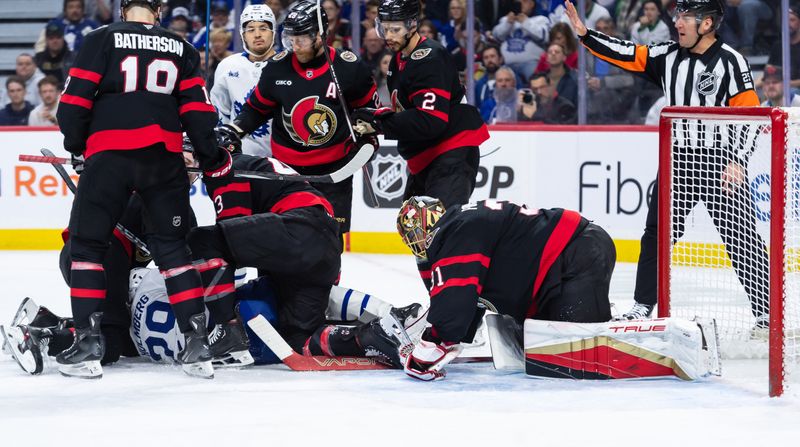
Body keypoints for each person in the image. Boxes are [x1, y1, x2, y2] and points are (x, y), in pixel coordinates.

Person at [54, 0, 234, 379]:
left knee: (87, 247)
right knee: (173, 250)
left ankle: (87, 344)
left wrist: (77, 146)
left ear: (124, 11)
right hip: (163, 160)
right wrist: (211, 156)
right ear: (158, 12)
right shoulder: (182, 47)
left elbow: (72, 104)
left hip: (109, 157)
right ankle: (197, 344)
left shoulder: (99, 38)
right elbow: (198, 114)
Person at [564, 0, 769, 326]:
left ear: (707, 24)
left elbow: (751, 117)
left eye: (687, 16)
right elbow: (627, 53)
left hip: (722, 161)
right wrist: (587, 35)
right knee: (656, 233)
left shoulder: (731, 62)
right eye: (678, 15)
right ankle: (644, 303)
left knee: (741, 236)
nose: (678, 22)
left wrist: (739, 161)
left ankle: (765, 312)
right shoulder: (667, 55)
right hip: (678, 160)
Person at [187, 145, 415, 368]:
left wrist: (213, 302)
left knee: (202, 240)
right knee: (297, 341)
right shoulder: (253, 166)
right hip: (322, 243)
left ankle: (228, 333)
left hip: (299, 228)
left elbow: (228, 244)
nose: (181, 168)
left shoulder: (231, 168)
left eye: (185, 160)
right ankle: (373, 335)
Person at [396, 197, 616, 380]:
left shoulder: (454, 231)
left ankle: (610, 326)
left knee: (576, 354)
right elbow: (468, 299)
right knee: (549, 349)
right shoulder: (462, 223)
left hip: (577, 255)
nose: (417, 242)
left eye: (415, 233)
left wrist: (429, 347)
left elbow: (455, 300)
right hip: (570, 257)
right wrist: (450, 335)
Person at [216, 1, 379, 239]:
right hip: (285, 170)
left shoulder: (348, 67)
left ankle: (327, 278)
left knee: (329, 240)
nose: (295, 45)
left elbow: (370, 110)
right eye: (290, 37)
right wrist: (234, 129)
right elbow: (256, 109)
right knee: (279, 236)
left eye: (302, 38)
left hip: (334, 170)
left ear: (321, 34)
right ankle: (270, 279)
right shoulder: (277, 67)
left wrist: (367, 133)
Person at [351, 0, 489, 209]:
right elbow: (409, 112)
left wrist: (379, 122)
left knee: (439, 227)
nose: (388, 36)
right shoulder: (398, 61)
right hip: (427, 155)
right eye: (384, 29)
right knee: (414, 227)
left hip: (450, 150)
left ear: (412, 25)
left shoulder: (429, 58)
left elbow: (430, 119)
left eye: (395, 29)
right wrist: (375, 116)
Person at [211, 4, 277, 157]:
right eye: (251, 29)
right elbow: (219, 113)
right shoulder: (227, 66)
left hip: (279, 158)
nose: (257, 34)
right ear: (242, 34)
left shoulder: (286, 64)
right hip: (239, 156)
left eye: (263, 28)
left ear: (273, 31)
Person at [491, 0, 550, 85]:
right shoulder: (506, 20)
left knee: (537, 82)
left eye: (524, 1)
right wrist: (508, 23)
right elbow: (496, 36)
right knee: (500, 80)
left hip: (531, 63)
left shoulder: (540, 19)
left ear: (531, 4)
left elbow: (544, 37)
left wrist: (525, 22)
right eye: (518, 2)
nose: (521, 4)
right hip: (508, 64)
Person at [475, 45, 505, 123]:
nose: (489, 60)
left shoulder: (512, 78)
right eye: (486, 57)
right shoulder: (479, 84)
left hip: (506, 125)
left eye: (492, 56)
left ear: (500, 59)